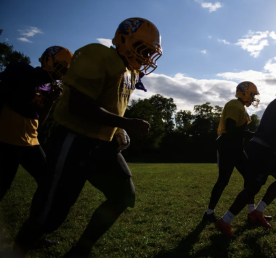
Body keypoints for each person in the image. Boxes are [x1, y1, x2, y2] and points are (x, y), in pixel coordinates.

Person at [12, 17, 162, 258]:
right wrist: (124, 123)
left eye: (150, 52)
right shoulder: (97, 55)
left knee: (123, 195)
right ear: (124, 39)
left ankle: (81, 250)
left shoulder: (129, 71)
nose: (146, 57)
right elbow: (78, 105)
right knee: (50, 214)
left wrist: (118, 129)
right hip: (74, 139)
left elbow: (112, 105)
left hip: (102, 144)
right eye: (143, 49)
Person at [215, 78, 276, 236]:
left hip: (266, 147)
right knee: (253, 186)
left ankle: (258, 212)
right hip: (262, 148)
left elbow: (271, 129)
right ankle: (225, 220)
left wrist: (275, 147)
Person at [0, 46, 72, 202]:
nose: (63, 73)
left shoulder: (48, 87)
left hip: (30, 140)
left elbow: (38, 120)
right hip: (8, 137)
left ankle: (37, 219)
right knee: (3, 185)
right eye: (61, 68)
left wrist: (50, 102)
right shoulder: (23, 72)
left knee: (47, 181)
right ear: (49, 62)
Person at [203, 82, 271, 223]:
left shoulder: (239, 106)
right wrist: (252, 134)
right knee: (223, 180)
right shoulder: (235, 105)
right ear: (245, 93)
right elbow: (231, 129)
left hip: (236, 148)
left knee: (250, 178)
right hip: (228, 147)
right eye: (252, 94)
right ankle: (209, 213)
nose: (253, 98)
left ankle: (251, 212)